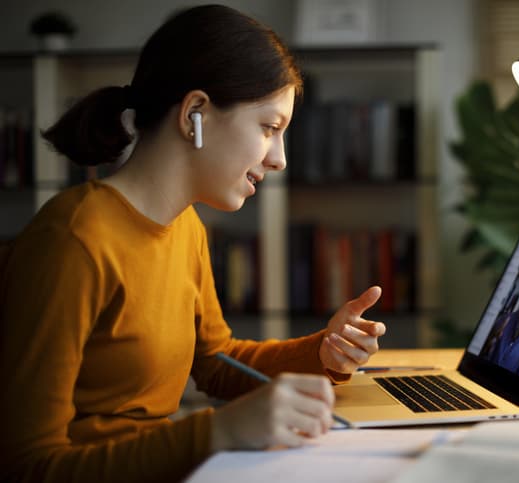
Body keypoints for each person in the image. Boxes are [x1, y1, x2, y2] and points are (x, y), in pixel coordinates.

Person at [0, 5, 387, 482]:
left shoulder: (185, 227)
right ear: (195, 114)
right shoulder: (72, 240)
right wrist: (213, 434)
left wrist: (321, 353)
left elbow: (216, 362)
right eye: (269, 128)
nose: (280, 159)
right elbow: (27, 466)